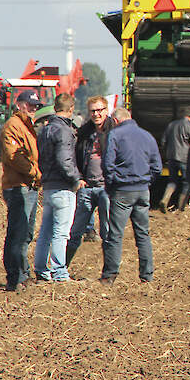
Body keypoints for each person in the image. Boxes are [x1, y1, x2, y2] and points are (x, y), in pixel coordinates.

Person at [101, 107, 162, 285]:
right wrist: (146, 182)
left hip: (122, 190)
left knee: (115, 234)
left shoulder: (115, 135)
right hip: (143, 190)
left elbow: (107, 164)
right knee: (143, 234)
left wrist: (112, 184)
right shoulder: (147, 136)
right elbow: (157, 166)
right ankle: (147, 275)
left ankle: (110, 275)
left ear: (116, 121)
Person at [34, 93, 82, 283]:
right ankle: (59, 272)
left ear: (55, 108)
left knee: (45, 231)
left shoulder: (45, 130)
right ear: (71, 109)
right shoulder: (64, 130)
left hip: (47, 186)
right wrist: (75, 179)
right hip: (63, 187)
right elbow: (65, 160)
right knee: (61, 232)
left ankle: (40, 270)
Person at [0, 90, 43, 292]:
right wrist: (36, 173)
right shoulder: (13, 126)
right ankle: (15, 277)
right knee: (18, 233)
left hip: (29, 186)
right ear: (19, 104)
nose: (33, 108)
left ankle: (22, 274)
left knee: (25, 233)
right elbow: (13, 157)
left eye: (35, 105)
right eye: (30, 104)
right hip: (18, 186)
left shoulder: (28, 126)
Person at [65, 95, 114, 267]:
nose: (97, 114)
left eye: (100, 110)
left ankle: (108, 272)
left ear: (106, 111)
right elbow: (74, 157)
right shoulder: (84, 132)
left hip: (106, 189)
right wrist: (78, 178)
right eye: (93, 111)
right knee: (76, 231)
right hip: (86, 188)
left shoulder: (114, 131)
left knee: (107, 233)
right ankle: (62, 269)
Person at [159, 106, 190, 212]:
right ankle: (181, 207)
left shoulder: (171, 125)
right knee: (187, 182)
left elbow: (163, 141)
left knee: (172, 181)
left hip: (171, 157)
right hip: (185, 158)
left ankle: (165, 199)